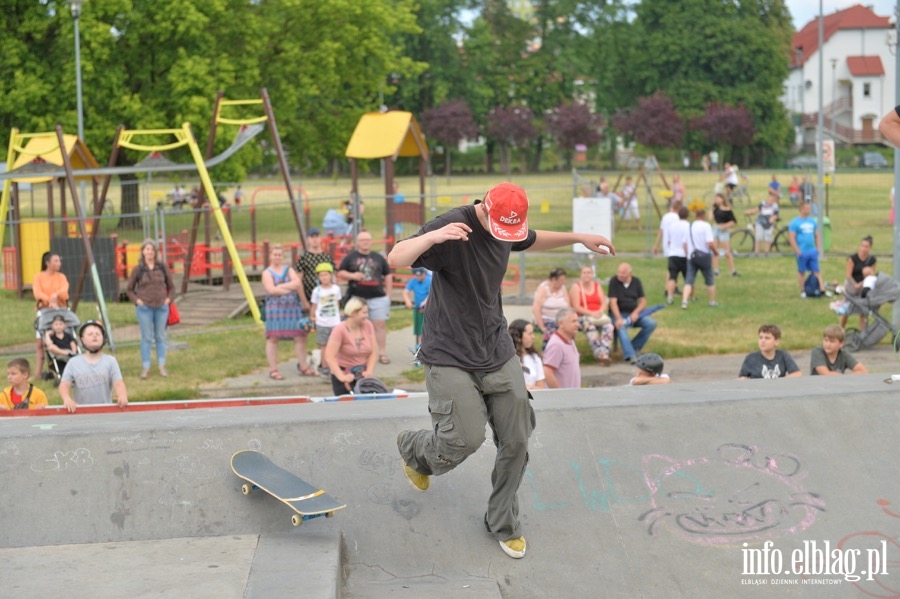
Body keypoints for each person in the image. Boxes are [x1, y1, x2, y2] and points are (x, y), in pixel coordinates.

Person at [388, 181, 615, 559]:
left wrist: (579, 236)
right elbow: (396, 256)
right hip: (448, 353)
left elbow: (533, 239)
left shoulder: (508, 227)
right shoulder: (452, 227)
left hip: (495, 347)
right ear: (485, 211)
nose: (504, 238)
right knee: (465, 438)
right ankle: (416, 451)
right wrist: (433, 238)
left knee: (518, 437)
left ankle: (502, 522)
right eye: (499, 229)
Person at [337, 231, 392, 364]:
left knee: (379, 324)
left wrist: (388, 294)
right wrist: (353, 276)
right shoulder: (350, 257)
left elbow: (388, 274)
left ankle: (382, 353)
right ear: (357, 242)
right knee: (358, 325)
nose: (365, 242)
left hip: (378, 296)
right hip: (357, 297)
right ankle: (360, 353)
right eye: (362, 240)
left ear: (371, 241)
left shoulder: (378, 257)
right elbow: (340, 271)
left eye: (367, 239)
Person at [126, 239, 175, 379]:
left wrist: (168, 300)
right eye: (147, 249)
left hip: (161, 307)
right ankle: (146, 367)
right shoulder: (138, 269)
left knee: (160, 337)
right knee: (146, 338)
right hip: (145, 308)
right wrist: (137, 301)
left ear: (155, 252)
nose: (150, 252)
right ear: (142, 252)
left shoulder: (162, 267)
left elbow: (171, 287)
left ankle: (161, 366)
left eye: (152, 250)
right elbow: (129, 290)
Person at [262, 245, 312, 379]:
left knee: (300, 336)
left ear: (283, 256)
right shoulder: (267, 273)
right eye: (275, 254)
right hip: (275, 309)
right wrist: (288, 288)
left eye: (279, 255)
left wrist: (280, 287)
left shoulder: (289, 269)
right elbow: (271, 290)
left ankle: (303, 366)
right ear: (270, 256)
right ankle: (273, 370)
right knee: (273, 338)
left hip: (292, 307)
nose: (277, 257)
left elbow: (297, 284)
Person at [60, 321, 128, 412]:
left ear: (103, 339)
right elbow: (64, 385)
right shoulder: (73, 362)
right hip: (81, 412)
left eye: (98, 334)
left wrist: (122, 395)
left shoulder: (111, 361)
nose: (94, 336)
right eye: (90, 334)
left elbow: (118, 383)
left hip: (105, 412)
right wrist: (67, 399)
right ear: (82, 340)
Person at [322, 297, 377, 395]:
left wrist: (369, 371)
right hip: (345, 374)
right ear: (353, 313)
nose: (366, 316)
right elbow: (329, 356)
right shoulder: (339, 330)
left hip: (362, 374)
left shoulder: (368, 325)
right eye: (364, 313)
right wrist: (341, 376)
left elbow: (374, 352)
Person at [295, 228, 333, 366]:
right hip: (309, 298)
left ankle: (323, 360)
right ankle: (303, 363)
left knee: (326, 333)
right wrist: (304, 300)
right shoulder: (304, 258)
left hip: (326, 303)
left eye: (317, 236)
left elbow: (333, 279)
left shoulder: (327, 257)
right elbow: (298, 281)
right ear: (308, 240)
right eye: (312, 237)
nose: (315, 239)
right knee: (305, 331)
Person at [608, 262, 657, 363]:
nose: (620, 275)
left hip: (634, 313)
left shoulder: (636, 282)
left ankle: (633, 347)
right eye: (619, 272)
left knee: (651, 323)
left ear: (629, 273)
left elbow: (643, 301)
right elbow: (613, 302)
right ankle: (630, 355)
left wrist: (635, 313)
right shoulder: (614, 281)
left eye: (623, 273)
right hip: (618, 313)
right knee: (621, 326)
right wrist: (618, 318)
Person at [32, 251, 69, 378]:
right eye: (56, 261)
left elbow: (65, 290)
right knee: (40, 343)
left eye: (59, 260)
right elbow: (38, 293)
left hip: (60, 310)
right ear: (47, 263)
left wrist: (55, 296)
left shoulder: (61, 277)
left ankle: (63, 368)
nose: (59, 263)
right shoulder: (39, 276)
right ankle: (37, 373)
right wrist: (49, 300)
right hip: (44, 311)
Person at [569, 264, 614, 365]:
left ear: (592, 274)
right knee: (590, 328)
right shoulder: (576, 287)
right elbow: (576, 307)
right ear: (580, 275)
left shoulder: (597, 286)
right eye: (584, 273)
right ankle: (601, 355)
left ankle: (604, 353)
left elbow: (603, 302)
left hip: (598, 315)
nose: (587, 275)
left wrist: (601, 311)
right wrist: (591, 313)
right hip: (582, 317)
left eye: (589, 273)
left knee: (609, 326)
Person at [309, 262, 343, 376]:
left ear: (331, 275)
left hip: (335, 322)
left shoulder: (336, 289)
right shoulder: (317, 291)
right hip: (322, 322)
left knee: (336, 344)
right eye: (321, 275)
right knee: (323, 345)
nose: (324, 277)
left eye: (326, 275)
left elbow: (337, 303)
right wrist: (312, 319)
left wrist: (338, 315)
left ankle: (336, 365)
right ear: (318, 277)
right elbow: (314, 306)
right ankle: (324, 366)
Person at [789, 202, 827, 298]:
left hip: (812, 250)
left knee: (816, 270)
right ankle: (803, 290)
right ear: (801, 209)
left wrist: (818, 248)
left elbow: (817, 235)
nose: (809, 210)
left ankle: (822, 289)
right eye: (807, 208)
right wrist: (797, 251)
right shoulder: (795, 223)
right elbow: (792, 238)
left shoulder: (812, 222)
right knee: (802, 271)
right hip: (802, 251)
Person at [682, 208, 717, 309]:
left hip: (692, 256)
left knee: (689, 280)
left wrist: (687, 254)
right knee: (709, 279)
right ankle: (711, 301)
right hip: (704, 255)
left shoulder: (690, 226)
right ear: (703, 216)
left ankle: (684, 301)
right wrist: (715, 251)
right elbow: (709, 242)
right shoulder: (706, 226)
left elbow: (684, 243)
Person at [840, 235, 877, 329]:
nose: (864, 249)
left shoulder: (872, 260)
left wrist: (866, 280)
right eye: (862, 246)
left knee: (863, 312)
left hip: (863, 286)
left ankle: (863, 333)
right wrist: (855, 284)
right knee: (846, 311)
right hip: (852, 286)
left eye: (866, 247)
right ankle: (840, 329)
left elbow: (872, 275)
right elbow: (848, 275)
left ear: (870, 248)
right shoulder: (852, 259)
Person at [542, 308, 582, 389]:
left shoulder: (570, 341)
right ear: (561, 324)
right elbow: (547, 372)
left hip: (572, 398)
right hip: (563, 399)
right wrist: (560, 394)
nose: (577, 324)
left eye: (577, 321)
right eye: (573, 321)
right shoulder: (556, 345)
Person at [532, 268, 571, 349]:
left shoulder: (563, 288)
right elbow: (536, 308)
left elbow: (568, 306)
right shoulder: (544, 288)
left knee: (570, 329)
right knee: (551, 331)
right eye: (561, 280)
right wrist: (542, 326)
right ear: (554, 279)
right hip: (546, 319)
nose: (563, 282)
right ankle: (547, 354)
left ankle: (567, 351)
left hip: (561, 319)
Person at [508, 319, 545, 391]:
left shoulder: (535, 358)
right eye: (530, 334)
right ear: (518, 337)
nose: (533, 337)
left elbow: (540, 386)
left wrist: (531, 388)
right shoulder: (508, 359)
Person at [664, 206, 690, 304]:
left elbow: (669, 240)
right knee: (688, 278)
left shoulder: (672, 225)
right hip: (684, 254)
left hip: (673, 254)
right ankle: (690, 296)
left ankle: (670, 296)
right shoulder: (688, 225)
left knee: (672, 277)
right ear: (687, 215)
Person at [402, 267, 432, 347]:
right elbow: (405, 291)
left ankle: (427, 346)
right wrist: (408, 301)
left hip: (428, 309)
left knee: (427, 328)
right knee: (418, 329)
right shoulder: (413, 281)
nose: (418, 277)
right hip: (418, 308)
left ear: (424, 273)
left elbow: (431, 294)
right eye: (416, 275)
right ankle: (418, 346)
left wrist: (425, 302)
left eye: (420, 275)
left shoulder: (430, 281)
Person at [711, 193, 739, 277]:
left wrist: (725, 226)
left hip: (723, 230)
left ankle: (732, 270)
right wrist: (711, 208)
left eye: (718, 198)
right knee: (715, 251)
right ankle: (716, 270)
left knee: (727, 251)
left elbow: (733, 221)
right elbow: (711, 218)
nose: (716, 200)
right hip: (716, 228)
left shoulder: (727, 210)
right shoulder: (715, 209)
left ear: (723, 199)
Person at [745, 189, 780, 254]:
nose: (770, 200)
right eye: (769, 199)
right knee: (758, 237)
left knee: (768, 238)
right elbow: (756, 210)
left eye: (772, 199)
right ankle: (756, 252)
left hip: (769, 223)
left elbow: (776, 215)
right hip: (760, 222)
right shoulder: (763, 204)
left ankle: (766, 252)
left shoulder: (775, 206)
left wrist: (773, 218)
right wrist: (749, 212)